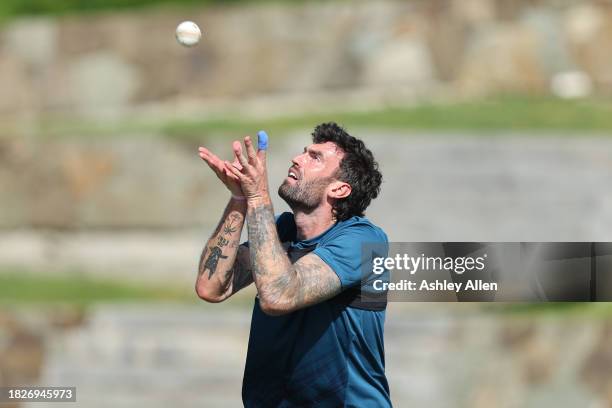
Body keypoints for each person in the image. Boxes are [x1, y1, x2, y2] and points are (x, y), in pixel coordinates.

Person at [196, 122, 391, 407]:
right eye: (303, 152)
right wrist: (239, 198)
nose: (297, 159)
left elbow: (279, 295)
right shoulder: (282, 232)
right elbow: (211, 287)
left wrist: (256, 196)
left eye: (315, 157)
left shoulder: (362, 241)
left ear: (340, 188)